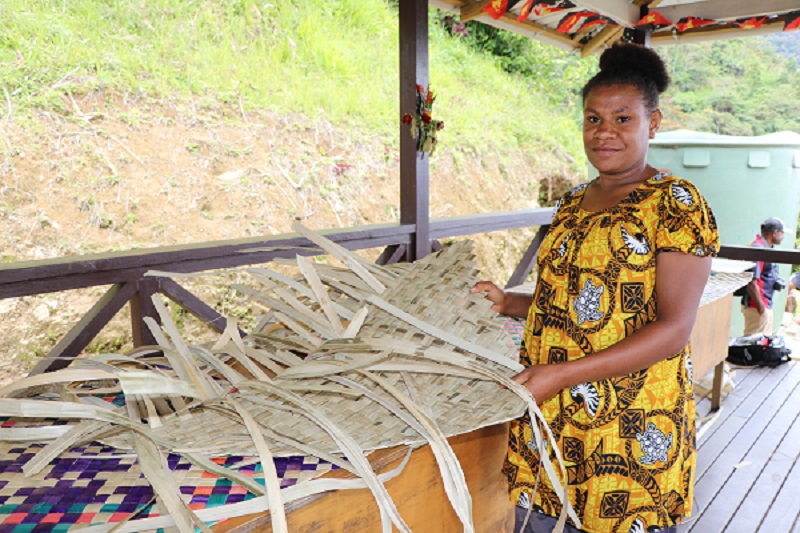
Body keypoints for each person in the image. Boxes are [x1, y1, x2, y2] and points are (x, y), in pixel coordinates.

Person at [471, 43, 719, 533]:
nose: (604, 131)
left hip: (629, 429)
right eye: (593, 119)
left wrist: (561, 375)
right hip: (552, 420)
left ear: (653, 123)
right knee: (541, 520)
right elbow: (573, 302)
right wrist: (509, 301)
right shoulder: (572, 202)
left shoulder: (675, 203)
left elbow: (673, 330)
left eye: (623, 119)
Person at [741, 217, 784, 336]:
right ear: (774, 233)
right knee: (754, 343)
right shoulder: (758, 249)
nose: (783, 236)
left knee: (763, 343)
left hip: (764, 305)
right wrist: (762, 309)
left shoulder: (766, 248)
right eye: (782, 232)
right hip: (756, 306)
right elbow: (751, 282)